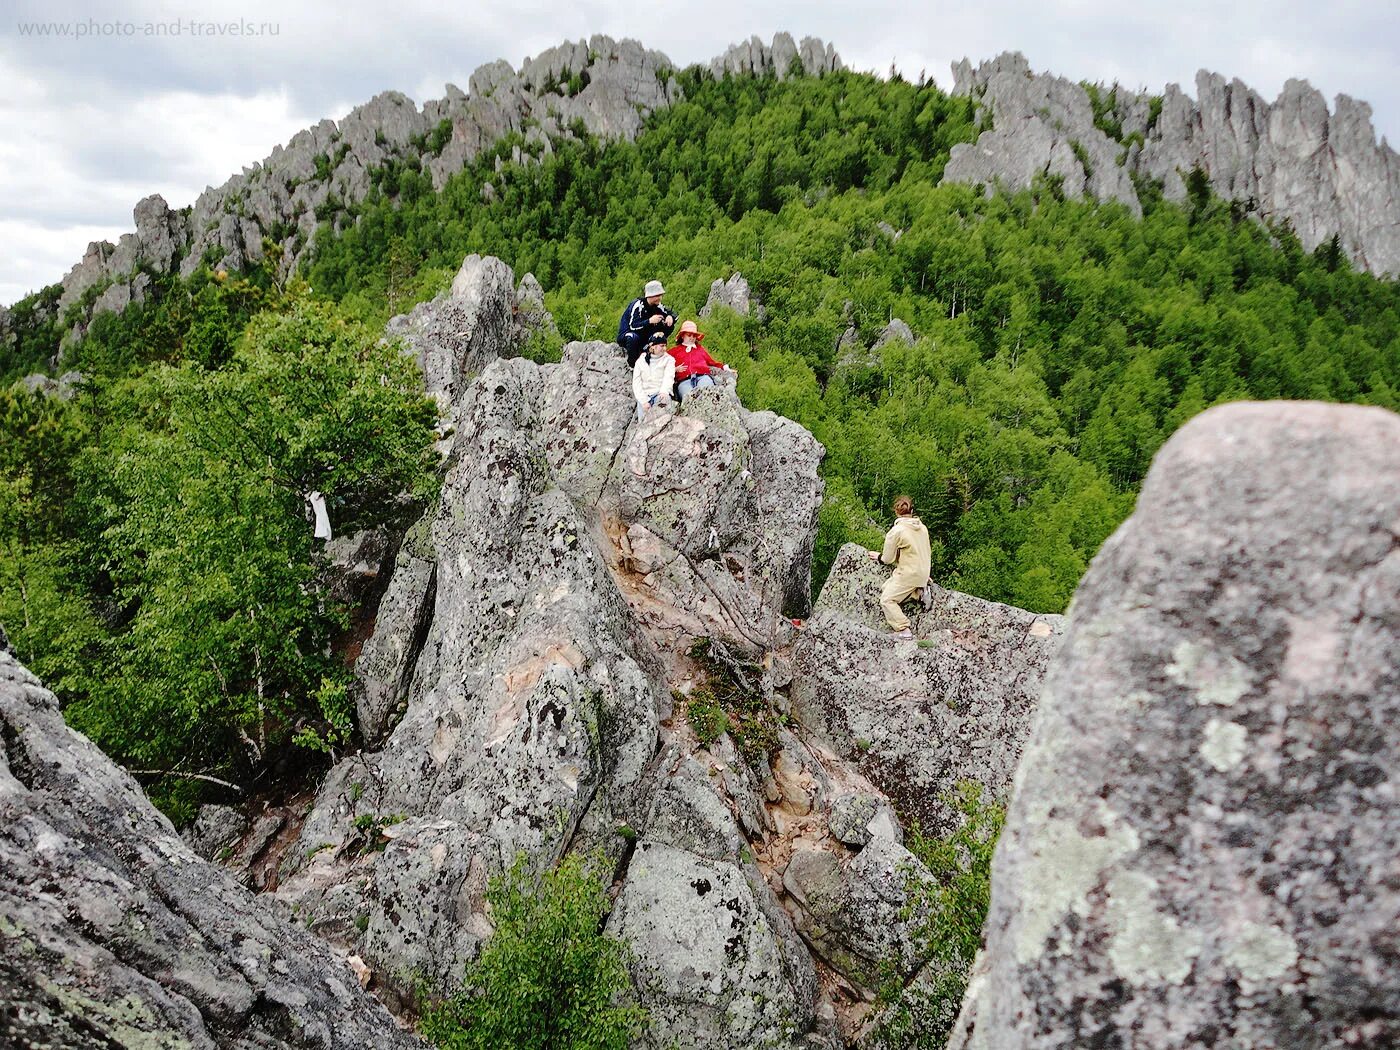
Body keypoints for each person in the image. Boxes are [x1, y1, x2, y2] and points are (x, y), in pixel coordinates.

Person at [866, 496, 931, 640]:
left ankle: (903, 629)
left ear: (896, 512)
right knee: (887, 586)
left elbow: (888, 559)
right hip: (924, 572)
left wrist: (878, 557)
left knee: (887, 599)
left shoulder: (896, 532)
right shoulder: (923, 528)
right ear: (912, 511)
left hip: (909, 573)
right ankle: (918, 592)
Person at [669, 320, 735, 401]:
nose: (692, 338)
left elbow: (712, 362)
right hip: (684, 381)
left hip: (702, 377)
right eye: (689, 335)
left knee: (707, 395)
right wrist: (675, 369)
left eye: (694, 336)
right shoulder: (674, 351)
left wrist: (726, 368)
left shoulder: (700, 349)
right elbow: (662, 363)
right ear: (682, 336)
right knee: (689, 400)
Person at [617, 280, 676, 367]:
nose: (660, 298)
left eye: (660, 295)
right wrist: (649, 321)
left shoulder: (658, 305)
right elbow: (633, 325)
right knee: (633, 338)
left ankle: (653, 352)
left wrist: (670, 317)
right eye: (657, 295)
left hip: (644, 335)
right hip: (629, 334)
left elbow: (672, 314)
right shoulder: (638, 305)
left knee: (668, 326)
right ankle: (632, 365)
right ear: (650, 295)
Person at [632, 330, 677, 421]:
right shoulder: (641, 361)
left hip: (660, 394)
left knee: (662, 419)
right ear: (653, 346)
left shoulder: (669, 360)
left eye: (665, 346)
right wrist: (643, 401)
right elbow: (636, 382)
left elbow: (669, 377)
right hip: (644, 395)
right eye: (661, 346)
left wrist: (664, 391)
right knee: (643, 424)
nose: (664, 349)